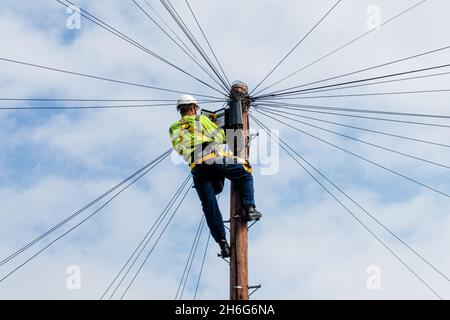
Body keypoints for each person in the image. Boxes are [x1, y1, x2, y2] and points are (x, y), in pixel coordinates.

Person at [169, 94, 262, 258]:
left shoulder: (173, 129)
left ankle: (223, 244)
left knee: (209, 205)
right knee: (245, 171)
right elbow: (220, 137)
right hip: (212, 159)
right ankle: (250, 209)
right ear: (193, 108)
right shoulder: (201, 120)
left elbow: (179, 148)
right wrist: (217, 126)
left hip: (196, 168)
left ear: (180, 111)